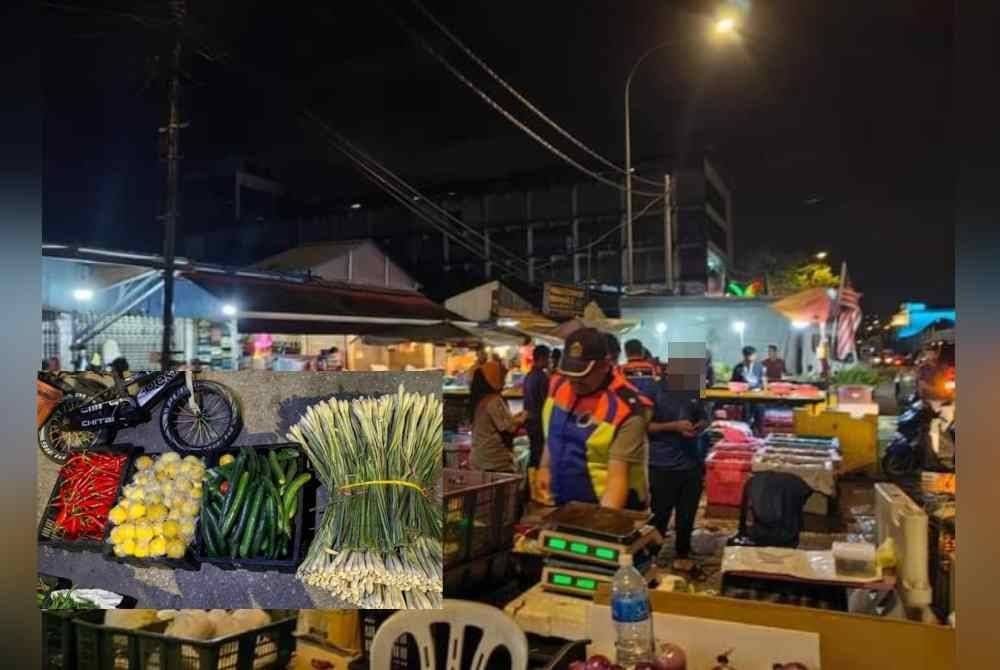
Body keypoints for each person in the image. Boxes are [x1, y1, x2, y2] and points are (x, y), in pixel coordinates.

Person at [537, 328, 653, 510]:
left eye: (582, 375)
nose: (574, 383)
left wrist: (600, 527)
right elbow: (554, 434)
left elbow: (617, 480)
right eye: (570, 374)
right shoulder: (559, 384)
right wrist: (544, 467)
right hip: (563, 502)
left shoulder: (628, 409)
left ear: (605, 365)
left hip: (606, 507)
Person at [647, 366, 710, 571]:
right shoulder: (654, 390)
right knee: (660, 515)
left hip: (692, 462)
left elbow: (705, 417)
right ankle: (652, 557)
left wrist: (700, 425)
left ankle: (683, 553)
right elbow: (645, 426)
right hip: (662, 464)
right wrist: (674, 426)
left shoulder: (696, 389)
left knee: (687, 514)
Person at [471, 360, 527, 473]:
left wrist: (516, 417)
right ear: (493, 379)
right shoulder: (494, 401)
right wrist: (524, 417)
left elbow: (501, 422)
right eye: (501, 375)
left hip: (481, 459)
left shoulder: (481, 400)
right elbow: (509, 428)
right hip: (494, 461)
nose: (504, 379)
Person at [522, 345, 551, 501]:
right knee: (538, 456)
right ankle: (535, 491)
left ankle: (530, 488)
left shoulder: (529, 376)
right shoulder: (541, 378)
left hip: (530, 421)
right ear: (543, 358)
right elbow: (546, 402)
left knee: (534, 455)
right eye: (548, 358)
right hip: (539, 422)